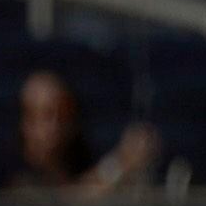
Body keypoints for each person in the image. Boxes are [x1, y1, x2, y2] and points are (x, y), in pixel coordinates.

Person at [10, 69, 159, 195]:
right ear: (24, 123)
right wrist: (120, 163)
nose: (54, 126)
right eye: (43, 115)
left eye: (62, 115)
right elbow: (64, 204)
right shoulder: (19, 187)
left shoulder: (79, 164)